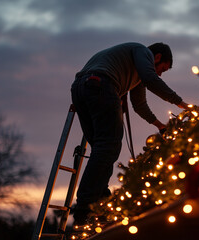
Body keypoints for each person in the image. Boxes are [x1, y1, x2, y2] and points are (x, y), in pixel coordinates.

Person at [70, 42, 190, 225]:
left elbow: (139, 104)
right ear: (156, 57)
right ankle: (85, 207)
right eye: (162, 69)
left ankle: (100, 202)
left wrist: (159, 125)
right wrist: (181, 104)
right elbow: (151, 78)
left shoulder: (135, 69)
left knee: (101, 149)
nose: (159, 74)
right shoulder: (142, 51)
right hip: (102, 84)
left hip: (81, 88)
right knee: (108, 147)